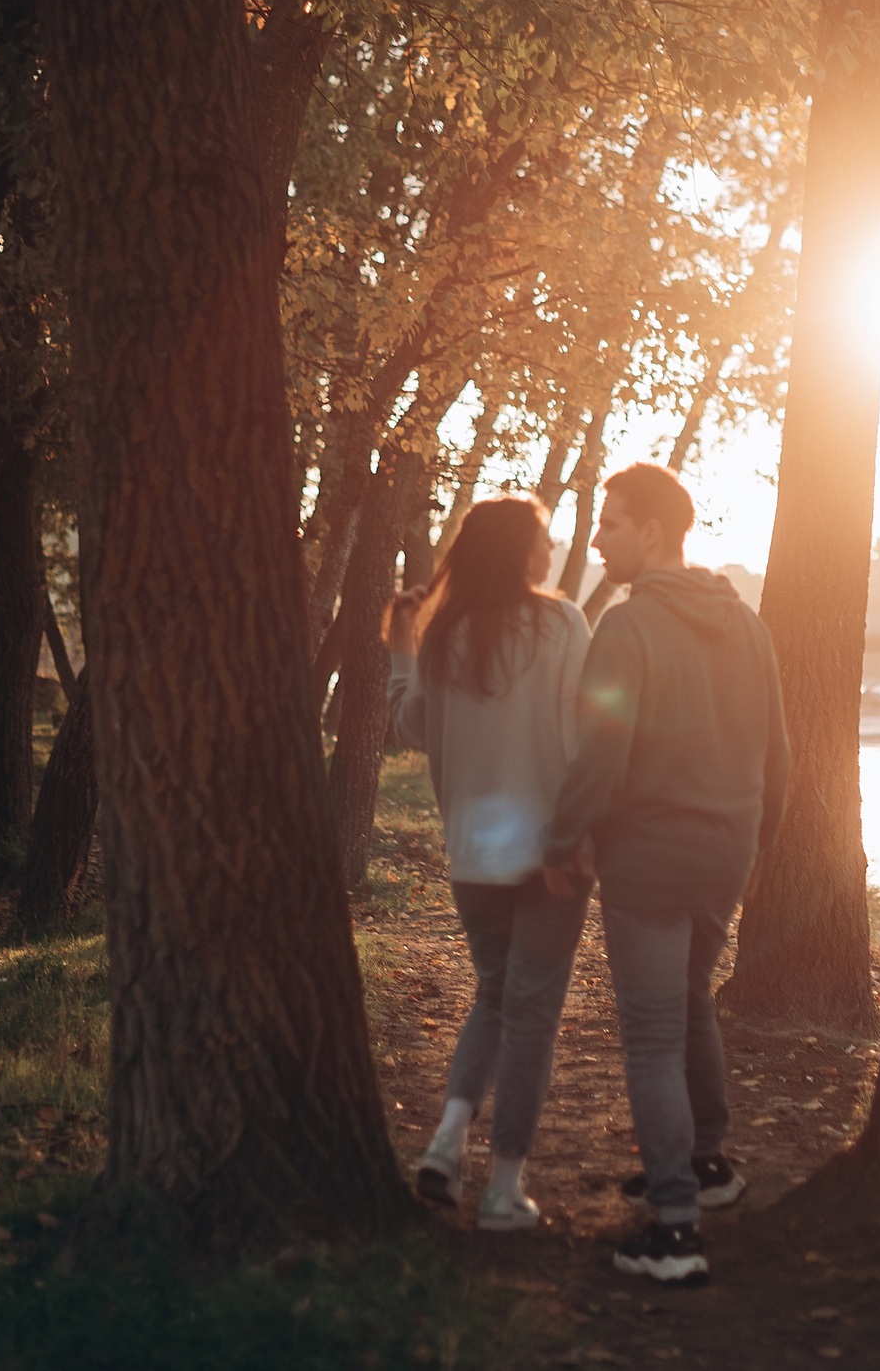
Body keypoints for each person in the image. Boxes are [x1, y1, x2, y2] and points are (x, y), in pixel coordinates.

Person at [542, 462, 788, 1285]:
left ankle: (675, 1229)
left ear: (653, 531)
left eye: (611, 523)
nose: (600, 535)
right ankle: (709, 1165)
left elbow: (601, 752)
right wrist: (758, 849)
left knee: (650, 1032)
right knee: (688, 1004)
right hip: (726, 853)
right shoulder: (747, 625)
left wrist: (562, 839)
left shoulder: (629, 624)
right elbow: (778, 758)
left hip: (649, 857)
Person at [384, 495, 593, 1230]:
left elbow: (407, 722)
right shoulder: (563, 623)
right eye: (541, 537)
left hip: (473, 858)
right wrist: (579, 839)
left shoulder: (446, 635)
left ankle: (446, 1139)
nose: (550, 548)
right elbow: (583, 733)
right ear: (517, 549)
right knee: (530, 1013)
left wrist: (403, 639)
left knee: (495, 998)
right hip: (551, 858)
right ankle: (505, 1186)